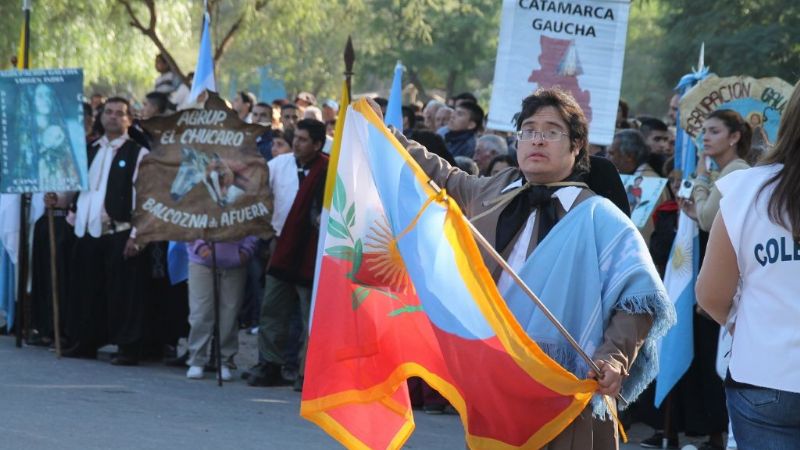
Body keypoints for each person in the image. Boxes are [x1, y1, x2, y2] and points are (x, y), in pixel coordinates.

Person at [394, 88, 675, 449]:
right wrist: (385, 136)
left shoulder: (601, 217)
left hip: (568, 388)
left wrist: (614, 358)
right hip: (496, 380)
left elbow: (637, 300)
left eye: (552, 131)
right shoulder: (496, 190)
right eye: (528, 130)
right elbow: (440, 176)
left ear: (577, 146)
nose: (537, 139)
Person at [696, 81, 800, 450]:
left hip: (764, 372)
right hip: (762, 375)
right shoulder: (743, 188)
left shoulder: (747, 190)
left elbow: (710, 294)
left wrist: (745, 323)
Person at [64, 97, 150, 365]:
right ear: (101, 117)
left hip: (120, 231)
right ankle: (86, 341)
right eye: (109, 112)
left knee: (124, 293)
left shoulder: (138, 153)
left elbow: (145, 197)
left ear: (129, 119)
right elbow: (78, 188)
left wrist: (138, 236)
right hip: (88, 231)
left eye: (119, 113)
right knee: (88, 289)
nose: (113, 117)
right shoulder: (89, 150)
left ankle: (128, 347)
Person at [249, 119, 329, 391]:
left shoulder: (328, 170)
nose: (297, 143)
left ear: (318, 145)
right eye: (296, 137)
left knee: (311, 317)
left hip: (312, 253)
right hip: (280, 247)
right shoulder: (278, 165)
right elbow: (256, 193)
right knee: (272, 309)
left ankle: (308, 371)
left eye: (304, 139)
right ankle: (269, 364)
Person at [185, 236, 258, 380]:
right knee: (201, 313)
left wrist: (246, 252)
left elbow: (254, 223)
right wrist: (200, 247)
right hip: (202, 261)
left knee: (229, 316)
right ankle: (197, 359)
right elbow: (188, 222)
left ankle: (224, 361)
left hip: (235, 264)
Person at [680, 109, 752, 232]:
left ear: (734, 137)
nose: (705, 138)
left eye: (714, 132)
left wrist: (701, 177)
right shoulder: (726, 170)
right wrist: (698, 213)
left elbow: (707, 221)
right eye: (704, 132)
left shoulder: (735, 170)